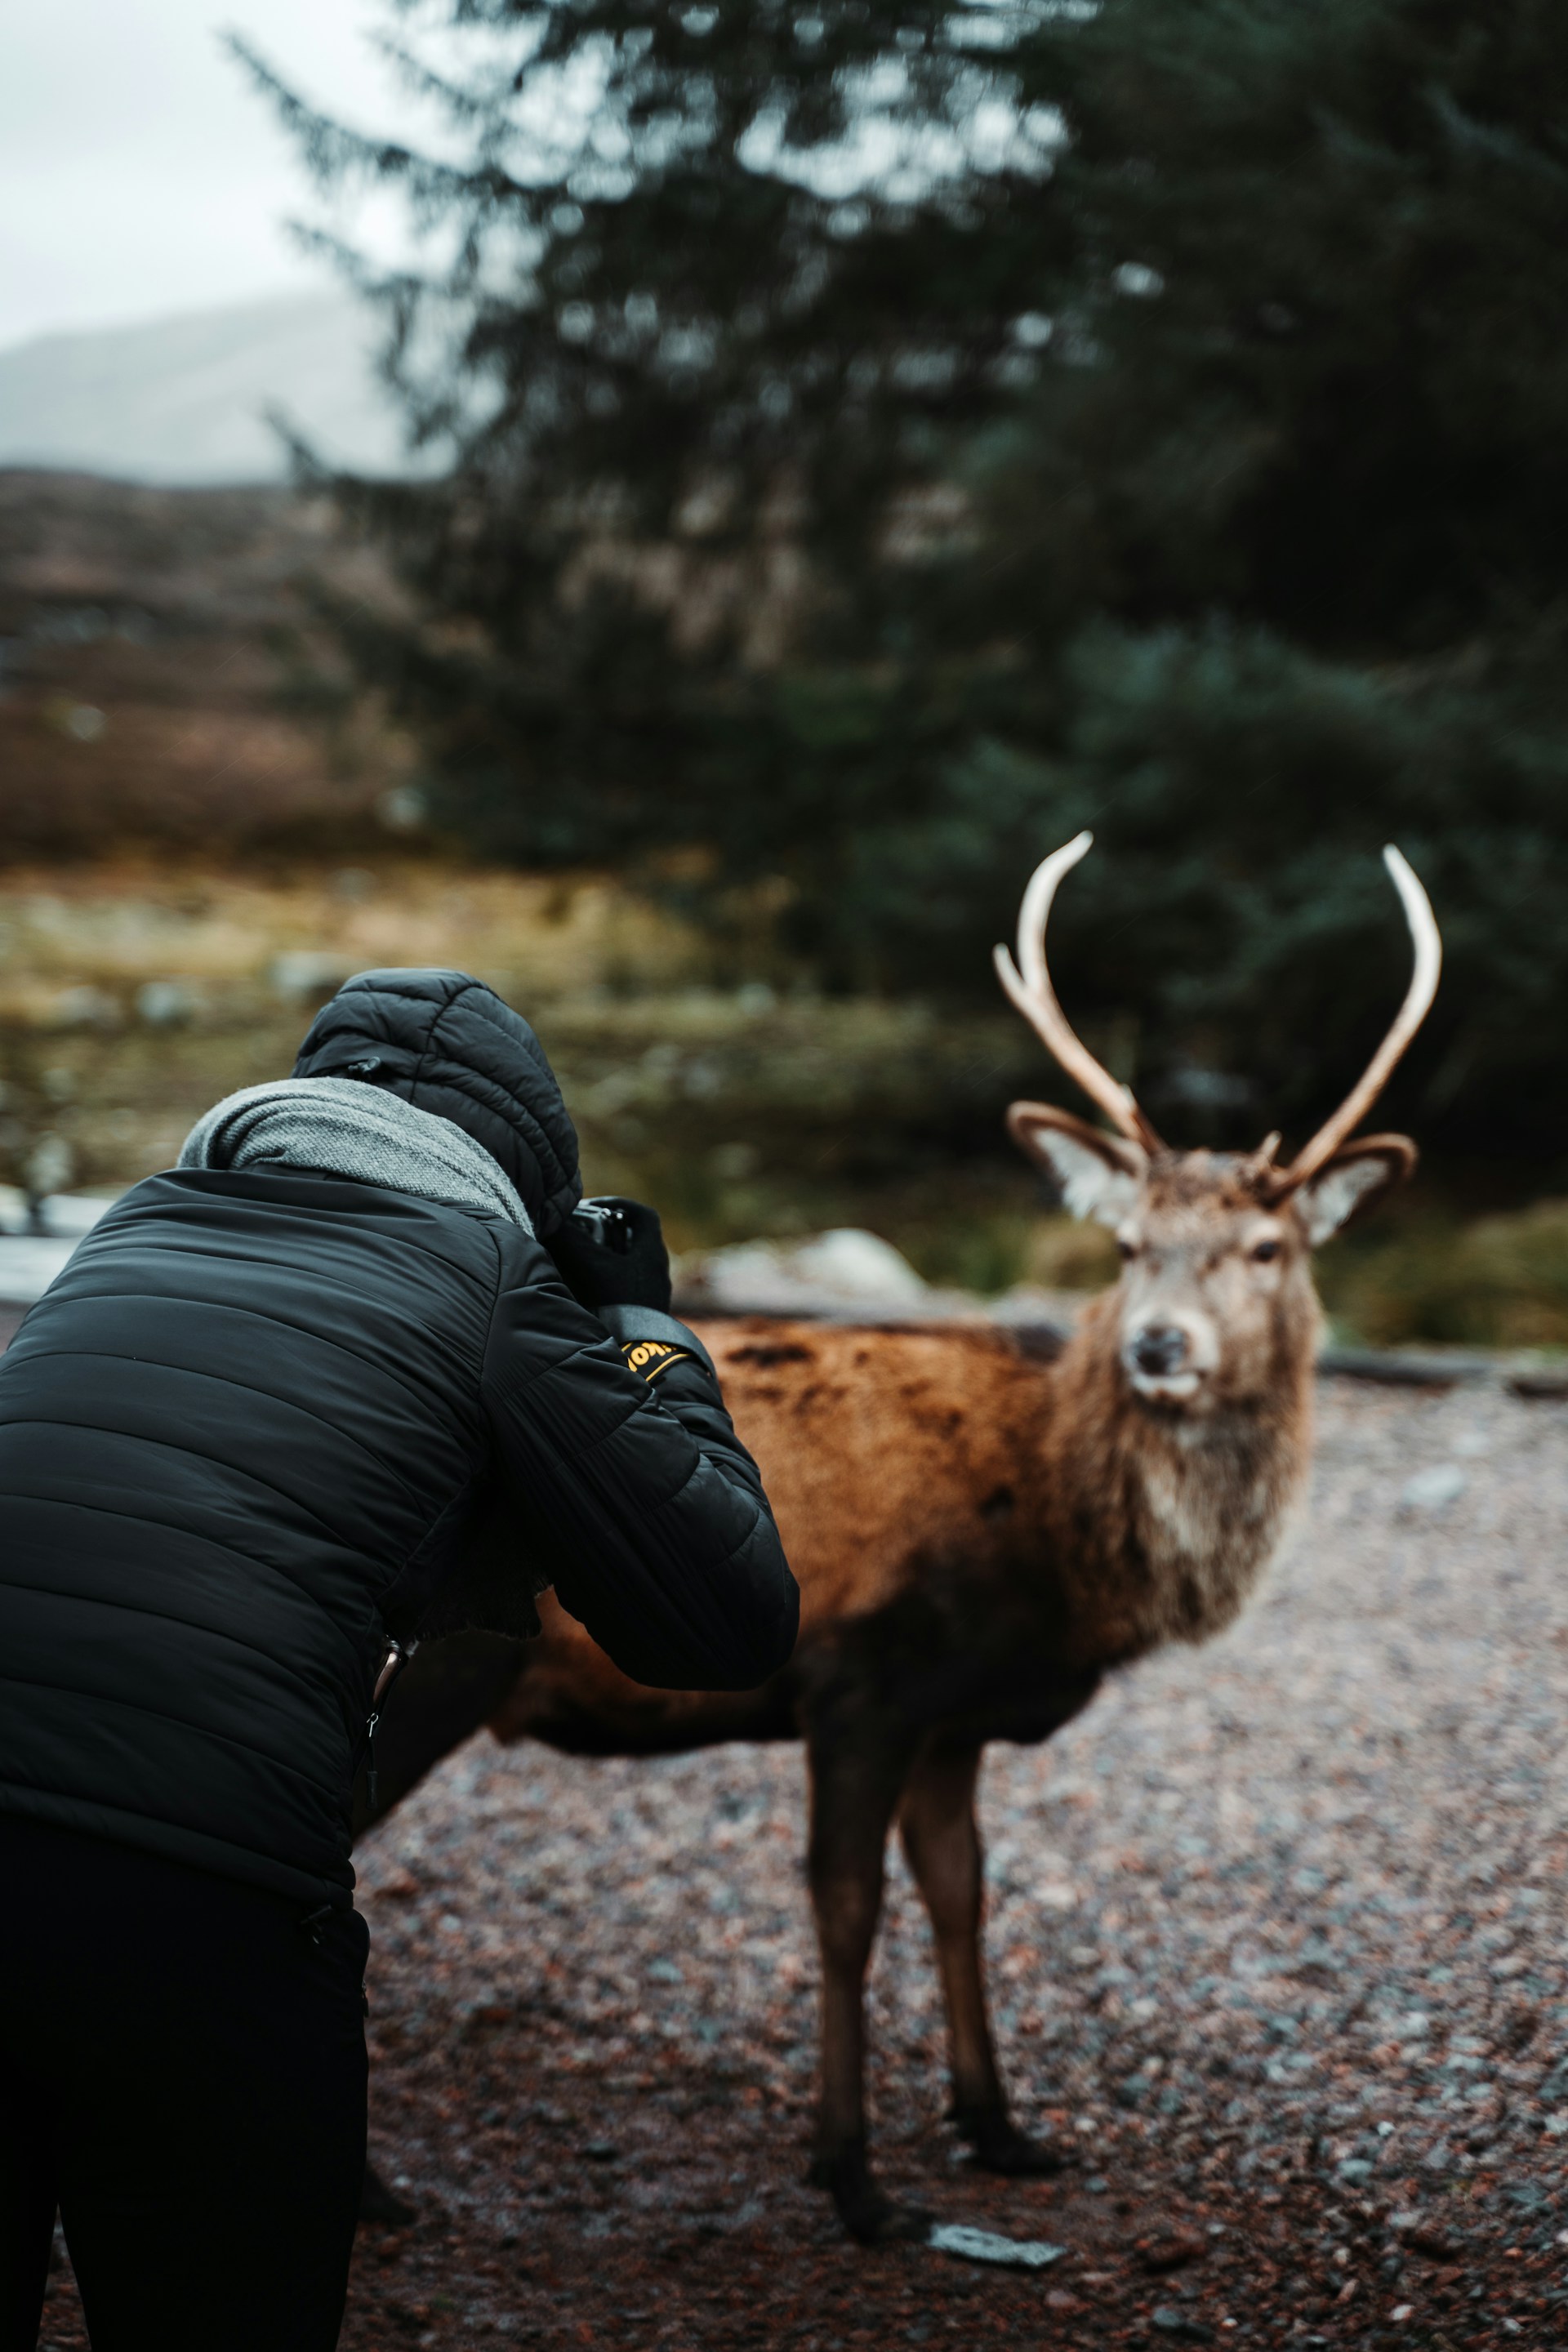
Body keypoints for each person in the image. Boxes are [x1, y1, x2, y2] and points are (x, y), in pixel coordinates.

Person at [0, 968, 798, 2352]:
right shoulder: (494, 1282)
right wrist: (643, 1331)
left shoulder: (133, 1227)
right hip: (199, 1886)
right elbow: (726, 1618)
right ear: (527, 1181)